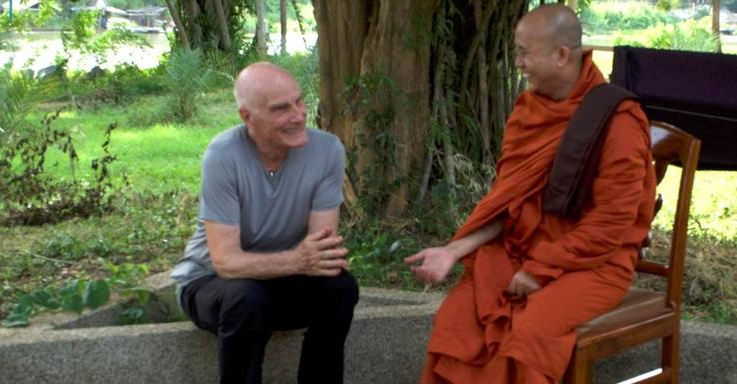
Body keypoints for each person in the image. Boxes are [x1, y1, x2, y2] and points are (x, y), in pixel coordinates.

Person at [404, 4, 657, 383]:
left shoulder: (617, 121)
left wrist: (543, 269)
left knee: (529, 331)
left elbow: (611, 224)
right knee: (460, 315)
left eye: (524, 52)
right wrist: (453, 251)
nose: (517, 63)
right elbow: (510, 204)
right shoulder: (529, 110)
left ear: (560, 55)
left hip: (595, 263)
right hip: (524, 248)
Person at [170, 62, 358, 384]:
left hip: (279, 281)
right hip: (211, 285)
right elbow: (226, 263)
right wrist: (299, 259)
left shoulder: (327, 150)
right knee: (246, 297)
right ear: (247, 116)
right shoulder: (223, 155)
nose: (299, 115)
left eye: (299, 101)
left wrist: (305, 260)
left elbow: (320, 253)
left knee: (339, 287)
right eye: (281, 109)